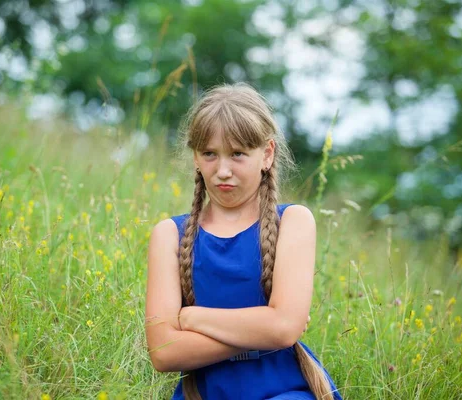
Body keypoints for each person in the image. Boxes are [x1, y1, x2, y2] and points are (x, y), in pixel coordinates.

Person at [145, 82, 342, 400]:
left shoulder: (293, 222)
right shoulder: (169, 235)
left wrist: (194, 318)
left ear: (266, 153)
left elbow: (284, 329)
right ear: (196, 157)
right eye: (210, 153)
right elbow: (164, 353)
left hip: (282, 390)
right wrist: (265, 330)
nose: (222, 170)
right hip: (203, 393)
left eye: (237, 154)